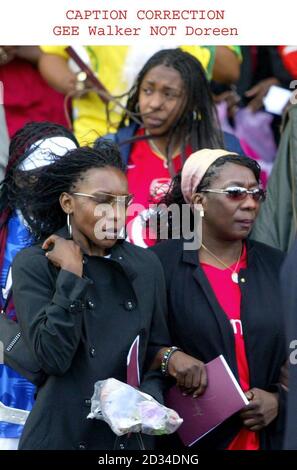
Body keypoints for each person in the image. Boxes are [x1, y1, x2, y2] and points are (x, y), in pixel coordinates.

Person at [11, 142, 171, 450]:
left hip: (126, 439)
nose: (117, 214)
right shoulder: (34, 263)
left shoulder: (145, 264)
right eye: (103, 202)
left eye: (124, 202)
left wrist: (146, 400)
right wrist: (72, 274)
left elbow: (154, 350)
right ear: (68, 203)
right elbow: (52, 357)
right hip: (64, 435)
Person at [151, 149, 287, 449]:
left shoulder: (281, 267)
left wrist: (281, 399)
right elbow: (129, 346)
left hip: (268, 438)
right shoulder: (157, 267)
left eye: (256, 193)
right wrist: (169, 358)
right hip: (189, 443)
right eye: (235, 193)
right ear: (199, 202)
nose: (250, 203)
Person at [96, 48, 242, 247]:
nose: (154, 103)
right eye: (148, 90)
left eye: (169, 94)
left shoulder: (223, 150)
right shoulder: (112, 148)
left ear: (192, 102)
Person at [0, 121, 78, 450]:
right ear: (19, 177)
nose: (52, 185)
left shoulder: (80, 231)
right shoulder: (5, 221)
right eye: (42, 174)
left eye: (63, 175)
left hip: (52, 381)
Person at [38, 45, 241, 144]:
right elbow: (51, 54)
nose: (153, 103)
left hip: (178, 139)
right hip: (95, 136)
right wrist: (75, 82)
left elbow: (230, 70)